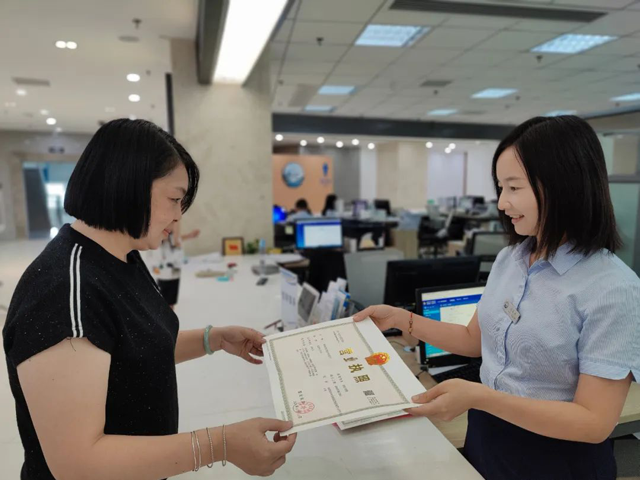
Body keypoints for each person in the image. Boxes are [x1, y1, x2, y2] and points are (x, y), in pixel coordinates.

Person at [3, 119, 296, 480]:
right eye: (174, 199)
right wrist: (221, 445)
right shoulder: (64, 290)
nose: (179, 215)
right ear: (128, 186)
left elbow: (131, 349)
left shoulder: (123, 255)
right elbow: (78, 463)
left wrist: (213, 339)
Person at [355, 116, 640, 480]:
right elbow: (473, 339)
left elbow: (593, 422)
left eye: (514, 187)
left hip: (556, 457)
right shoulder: (511, 258)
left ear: (564, 185)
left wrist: (480, 396)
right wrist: (402, 319)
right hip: (488, 434)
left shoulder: (613, 288)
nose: (503, 203)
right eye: (500, 187)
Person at [154, 219, 200, 309]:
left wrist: (189, 236)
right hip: (165, 272)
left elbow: (176, 240)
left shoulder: (169, 236)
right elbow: (174, 240)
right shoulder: (163, 236)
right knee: (166, 301)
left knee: (169, 301)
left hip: (171, 272)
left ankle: (168, 314)